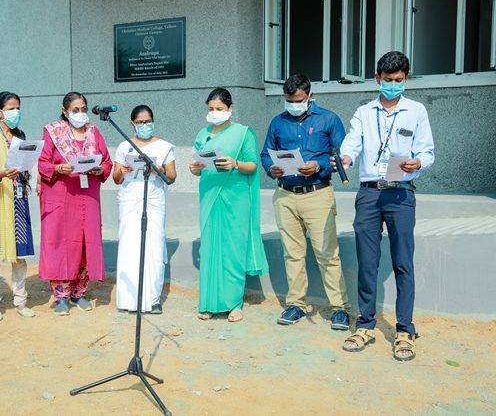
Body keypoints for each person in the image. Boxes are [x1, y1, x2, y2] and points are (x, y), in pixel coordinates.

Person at [336, 51, 435, 361]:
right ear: (377, 79)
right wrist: (347, 157)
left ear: (406, 80)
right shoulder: (364, 111)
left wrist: (417, 163)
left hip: (401, 193)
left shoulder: (416, 111)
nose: (393, 85)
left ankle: (405, 329)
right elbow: (352, 141)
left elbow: (427, 151)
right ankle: (365, 324)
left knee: (403, 262)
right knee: (367, 261)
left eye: (399, 81)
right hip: (369, 194)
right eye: (388, 80)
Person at [260, 74, 350, 330]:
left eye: (298, 100)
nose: (293, 104)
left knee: (327, 254)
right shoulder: (278, 122)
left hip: (318, 194)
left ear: (310, 96)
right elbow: (266, 153)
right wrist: (271, 168)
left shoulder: (329, 119)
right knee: (293, 255)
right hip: (286, 195)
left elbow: (342, 156)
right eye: (289, 100)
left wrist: (319, 164)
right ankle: (296, 305)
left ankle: (339, 308)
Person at [189, 87, 269, 322]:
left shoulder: (243, 133)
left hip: (236, 196)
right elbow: (196, 164)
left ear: (230, 109)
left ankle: (234, 303)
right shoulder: (203, 134)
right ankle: (209, 303)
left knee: (233, 248)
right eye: (211, 109)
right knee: (211, 247)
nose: (215, 113)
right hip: (210, 195)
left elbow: (253, 166)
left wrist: (235, 163)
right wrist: (194, 168)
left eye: (219, 109)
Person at [37, 91, 113, 315]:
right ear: (65, 111)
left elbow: (106, 161)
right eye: (75, 110)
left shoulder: (93, 131)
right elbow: (43, 162)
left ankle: (79, 292)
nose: (80, 114)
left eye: (83, 109)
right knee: (61, 243)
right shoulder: (53, 131)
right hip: (61, 195)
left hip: (87, 195)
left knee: (84, 243)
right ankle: (61, 295)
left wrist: (100, 169)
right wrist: (59, 168)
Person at [0, 91, 36, 322]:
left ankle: (20, 300)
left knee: (20, 254)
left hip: (18, 198)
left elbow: (25, 163)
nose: (15, 112)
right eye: (11, 108)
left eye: (18, 107)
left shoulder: (20, 135)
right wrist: (1, 174)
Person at [112, 105, 177, 314]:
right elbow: (115, 178)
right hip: (130, 198)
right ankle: (129, 299)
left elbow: (172, 176)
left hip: (154, 198)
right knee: (130, 245)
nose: (145, 125)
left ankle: (153, 299)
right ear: (132, 124)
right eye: (140, 122)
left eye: (148, 121)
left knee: (154, 246)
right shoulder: (124, 146)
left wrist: (158, 170)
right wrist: (122, 169)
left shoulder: (165, 146)